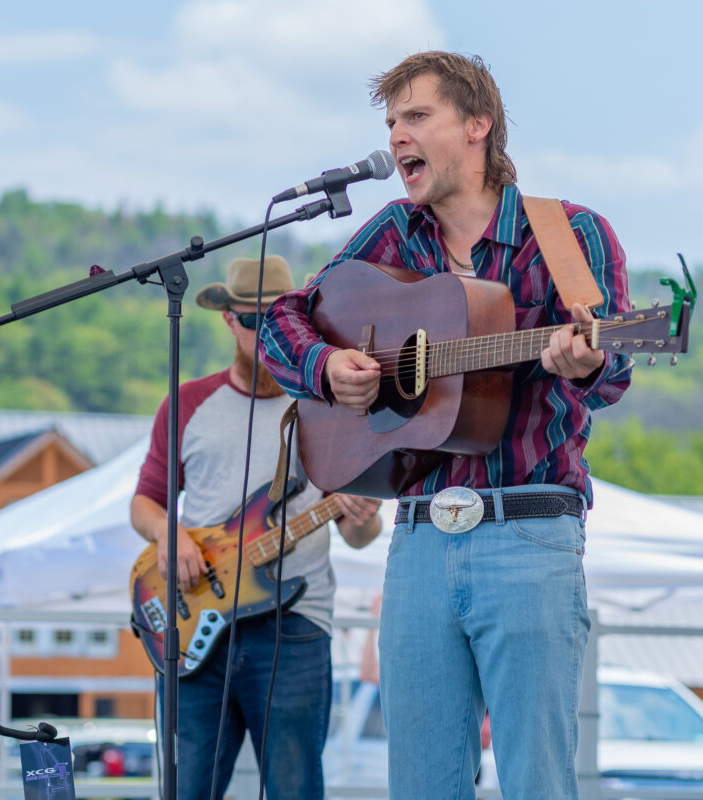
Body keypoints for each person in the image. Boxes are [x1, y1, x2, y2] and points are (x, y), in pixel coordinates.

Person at [257, 52, 632, 798]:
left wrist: (582, 361)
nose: (398, 137)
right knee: (421, 784)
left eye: (416, 117)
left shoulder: (566, 234)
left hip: (528, 530)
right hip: (420, 537)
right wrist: (327, 368)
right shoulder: (396, 234)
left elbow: (613, 368)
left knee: (537, 782)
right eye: (391, 122)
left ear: (477, 126)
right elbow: (283, 317)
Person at [129, 254, 382, 800]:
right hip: (194, 619)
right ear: (227, 321)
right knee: (186, 788)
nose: (263, 334)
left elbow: (358, 535)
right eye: (251, 321)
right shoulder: (188, 402)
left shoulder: (330, 405)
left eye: (277, 320)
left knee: (295, 789)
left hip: (294, 625)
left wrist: (363, 515)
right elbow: (146, 503)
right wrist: (169, 535)